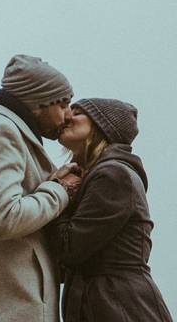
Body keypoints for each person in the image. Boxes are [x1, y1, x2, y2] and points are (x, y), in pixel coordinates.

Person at [0, 54, 81, 322]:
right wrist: (60, 190)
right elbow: (5, 218)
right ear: (38, 103)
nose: (68, 115)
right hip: (8, 309)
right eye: (63, 104)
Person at [47, 98, 173, 321]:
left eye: (77, 111)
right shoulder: (96, 176)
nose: (67, 115)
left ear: (100, 125)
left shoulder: (113, 175)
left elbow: (69, 249)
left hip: (120, 305)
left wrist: (55, 191)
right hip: (108, 303)